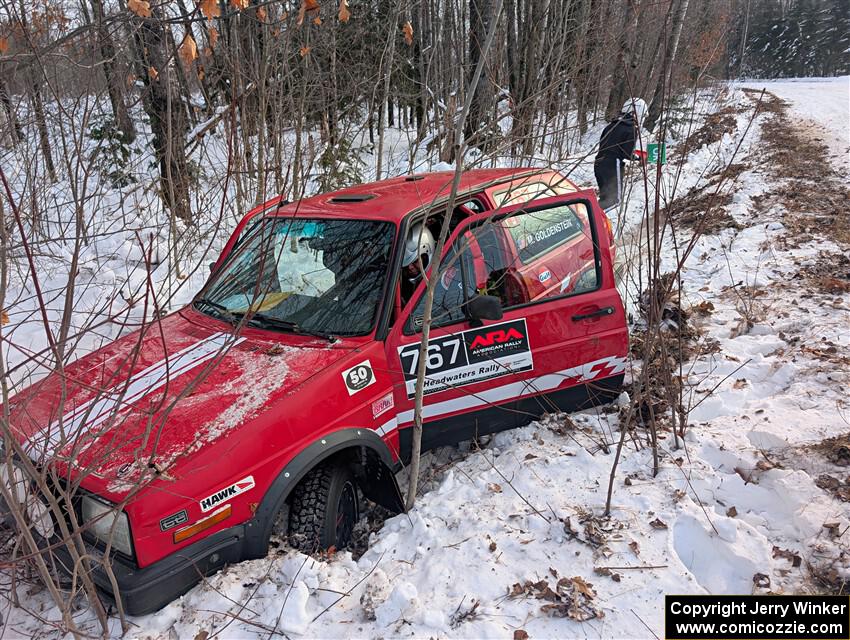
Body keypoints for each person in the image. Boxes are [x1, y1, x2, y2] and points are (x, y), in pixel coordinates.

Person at [594, 97, 647, 211]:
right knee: (614, 201)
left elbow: (610, 145)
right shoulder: (631, 129)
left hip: (598, 164)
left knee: (605, 199)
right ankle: (591, 222)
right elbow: (626, 154)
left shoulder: (611, 125)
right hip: (612, 166)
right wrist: (638, 158)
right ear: (637, 113)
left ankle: (590, 217)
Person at [400, 223, 435, 307]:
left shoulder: (436, 282)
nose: (410, 267)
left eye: (415, 261)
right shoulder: (397, 281)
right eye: (406, 262)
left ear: (426, 254)